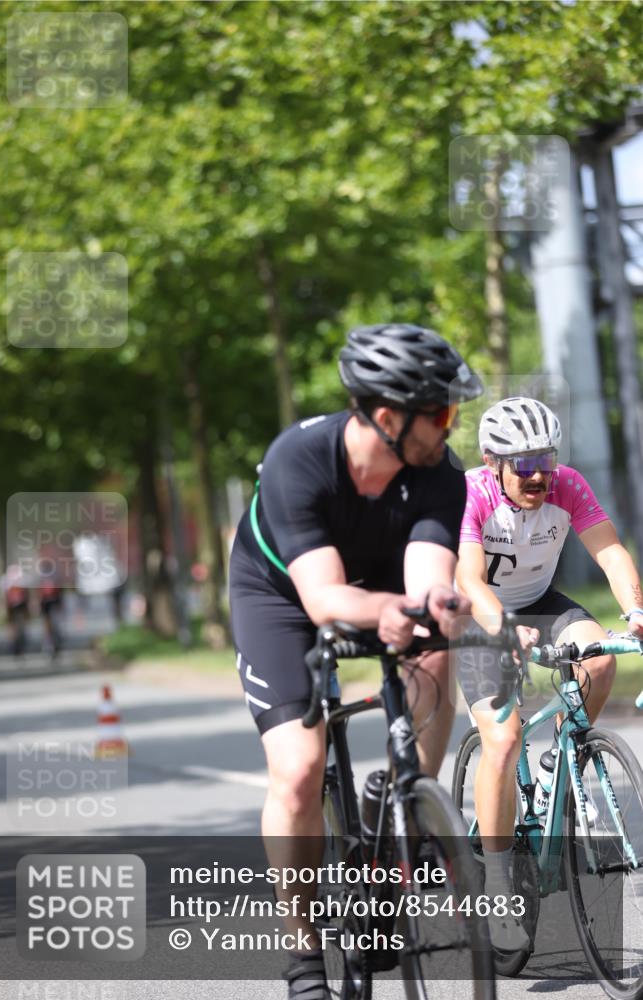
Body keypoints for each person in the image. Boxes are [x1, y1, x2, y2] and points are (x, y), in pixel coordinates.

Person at [229, 323, 483, 999]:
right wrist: (388, 610)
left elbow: (426, 579)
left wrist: (438, 604)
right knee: (299, 771)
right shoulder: (299, 459)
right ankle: (303, 954)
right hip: (281, 595)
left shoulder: (439, 474)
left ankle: (404, 815)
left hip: (378, 579)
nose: (451, 424)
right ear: (387, 417)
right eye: (441, 413)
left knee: (434, 657)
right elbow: (323, 599)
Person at [456, 396, 643, 951]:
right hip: (482, 613)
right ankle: (497, 886)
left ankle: (563, 756)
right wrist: (502, 629)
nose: (539, 476)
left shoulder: (568, 485)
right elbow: (469, 580)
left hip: (542, 602)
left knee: (601, 659)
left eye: (546, 460)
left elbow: (610, 553)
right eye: (524, 464)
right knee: (503, 739)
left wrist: (635, 610)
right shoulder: (471, 494)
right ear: (493, 462)